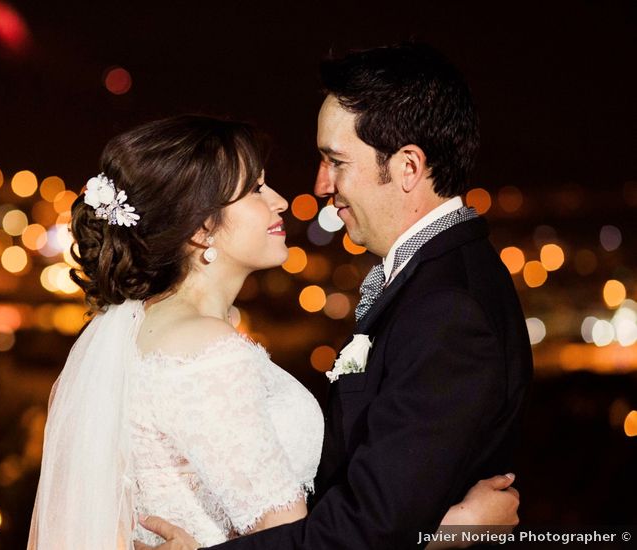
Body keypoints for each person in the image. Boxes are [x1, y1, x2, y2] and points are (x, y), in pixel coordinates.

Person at [27, 113, 520, 550]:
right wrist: (453, 528)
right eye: (256, 189)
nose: (282, 201)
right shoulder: (206, 353)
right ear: (202, 227)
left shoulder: (142, 332)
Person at [139, 43, 533, 550]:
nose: (319, 183)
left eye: (335, 161)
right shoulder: (435, 281)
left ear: (409, 167)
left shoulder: (449, 310)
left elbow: (370, 526)